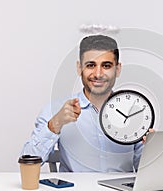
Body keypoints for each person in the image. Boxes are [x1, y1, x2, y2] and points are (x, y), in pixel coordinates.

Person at [21, 34, 148, 172]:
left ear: (117, 69)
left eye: (106, 65)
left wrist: (152, 150)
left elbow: (146, 171)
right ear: (79, 68)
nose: (98, 74)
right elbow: (28, 161)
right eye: (90, 65)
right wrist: (55, 124)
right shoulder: (56, 110)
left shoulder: (135, 112)